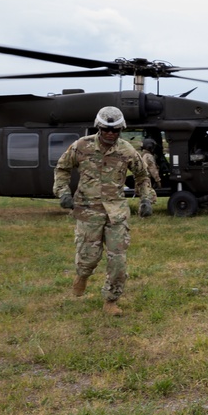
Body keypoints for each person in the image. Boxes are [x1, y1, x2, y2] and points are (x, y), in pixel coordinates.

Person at [53, 106, 156, 316]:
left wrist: (146, 199)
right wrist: (63, 192)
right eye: (106, 129)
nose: (110, 133)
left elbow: (142, 176)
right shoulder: (81, 146)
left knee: (118, 260)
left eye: (115, 130)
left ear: (121, 130)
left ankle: (111, 300)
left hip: (116, 212)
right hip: (87, 210)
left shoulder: (127, 150)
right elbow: (62, 168)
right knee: (88, 257)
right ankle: (82, 275)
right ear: (99, 128)